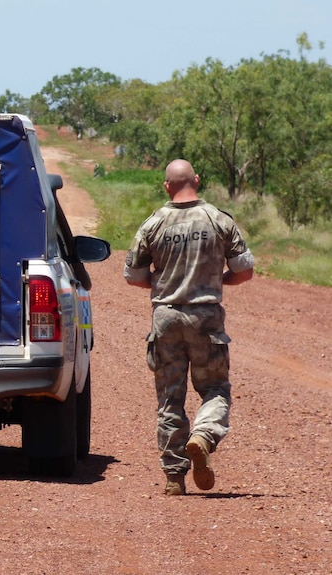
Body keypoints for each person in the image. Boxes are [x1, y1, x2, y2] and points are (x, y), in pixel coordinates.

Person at [123, 160, 254, 496]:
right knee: (215, 389)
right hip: (205, 316)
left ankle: (174, 477)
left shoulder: (153, 223)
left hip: (165, 317)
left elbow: (134, 276)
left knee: (170, 398)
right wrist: (215, 280)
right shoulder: (218, 219)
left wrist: (164, 283)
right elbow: (244, 270)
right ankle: (204, 435)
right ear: (197, 180)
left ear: (167, 186)